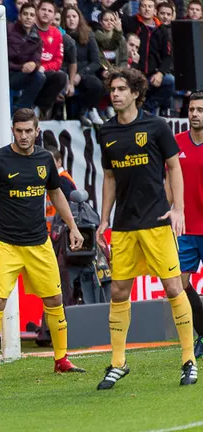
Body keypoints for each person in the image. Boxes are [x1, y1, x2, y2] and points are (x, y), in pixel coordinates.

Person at [0, 108, 86, 379]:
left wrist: (73, 227)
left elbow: (56, 193)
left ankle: (61, 359)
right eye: (18, 131)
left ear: (36, 130)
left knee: (55, 299)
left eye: (28, 131)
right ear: (12, 130)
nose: (23, 135)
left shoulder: (45, 159)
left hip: (38, 244)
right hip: (5, 244)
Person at [96, 68, 196, 390]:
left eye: (122, 88)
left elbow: (174, 167)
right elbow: (109, 177)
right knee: (118, 291)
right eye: (112, 89)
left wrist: (178, 209)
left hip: (156, 221)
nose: (116, 94)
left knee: (173, 287)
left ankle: (188, 360)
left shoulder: (156, 126)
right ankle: (117, 363)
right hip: (124, 226)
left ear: (136, 93)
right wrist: (103, 219)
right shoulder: (106, 131)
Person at [173, 93, 203, 359]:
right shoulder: (177, 143)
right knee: (180, 285)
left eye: (200, 110)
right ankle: (202, 333)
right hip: (185, 227)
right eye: (192, 109)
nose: (194, 114)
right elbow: (168, 180)